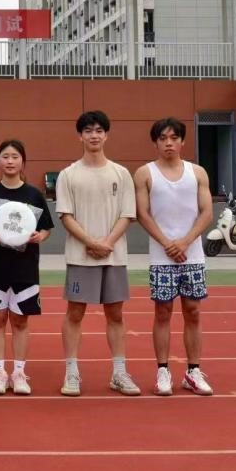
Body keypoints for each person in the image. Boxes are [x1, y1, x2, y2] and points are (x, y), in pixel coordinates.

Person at [55, 110, 138, 397]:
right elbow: (66, 216)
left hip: (114, 255)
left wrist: (107, 243)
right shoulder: (68, 175)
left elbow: (128, 214)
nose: (94, 135)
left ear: (106, 135)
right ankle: (72, 372)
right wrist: (91, 242)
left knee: (115, 313)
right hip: (80, 256)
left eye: (99, 130)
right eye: (88, 130)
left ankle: (119, 372)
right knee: (75, 312)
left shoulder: (121, 173)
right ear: (80, 136)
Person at [134, 118, 215, 397]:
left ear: (182, 141)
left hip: (193, 255)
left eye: (174, 138)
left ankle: (193, 371)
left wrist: (185, 241)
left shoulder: (197, 172)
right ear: (155, 142)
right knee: (163, 312)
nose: (168, 143)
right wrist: (167, 243)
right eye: (163, 138)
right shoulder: (145, 173)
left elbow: (206, 212)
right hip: (162, 256)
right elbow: (143, 213)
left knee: (193, 311)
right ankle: (163, 371)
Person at [0, 139, 53, 396]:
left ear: (22, 161)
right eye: (5, 156)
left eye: (15, 156)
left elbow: (46, 228)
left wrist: (40, 237)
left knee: (20, 320)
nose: (10, 161)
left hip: (25, 267)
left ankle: (19, 373)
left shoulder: (34, 195)